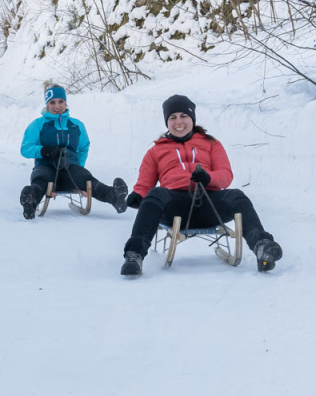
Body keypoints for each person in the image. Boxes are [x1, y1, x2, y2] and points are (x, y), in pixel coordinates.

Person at [120, 94, 282, 276]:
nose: (178, 122)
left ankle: (261, 245)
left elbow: (225, 175)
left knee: (237, 195)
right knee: (156, 193)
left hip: (209, 204)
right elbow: (145, 183)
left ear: (192, 119)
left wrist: (208, 178)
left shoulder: (211, 144)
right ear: (167, 122)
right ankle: (134, 255)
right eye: (172, 117)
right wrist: (138, 196)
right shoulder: (156, 150)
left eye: (183, 116)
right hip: (174, 206)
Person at [17, 84, 128, 218]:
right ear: (47, 104)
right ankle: (30, 201)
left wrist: (79, 168)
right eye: (52, 102)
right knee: (41, 181)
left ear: (65, 102)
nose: (57, 106)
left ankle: (115, 197)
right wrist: (44, 150)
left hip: (69, 168)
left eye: (61, 101)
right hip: (45, 167)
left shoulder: (76, 125)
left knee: (88, 180)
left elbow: (83, 147)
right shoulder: (38, 124)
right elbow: (25, 148)